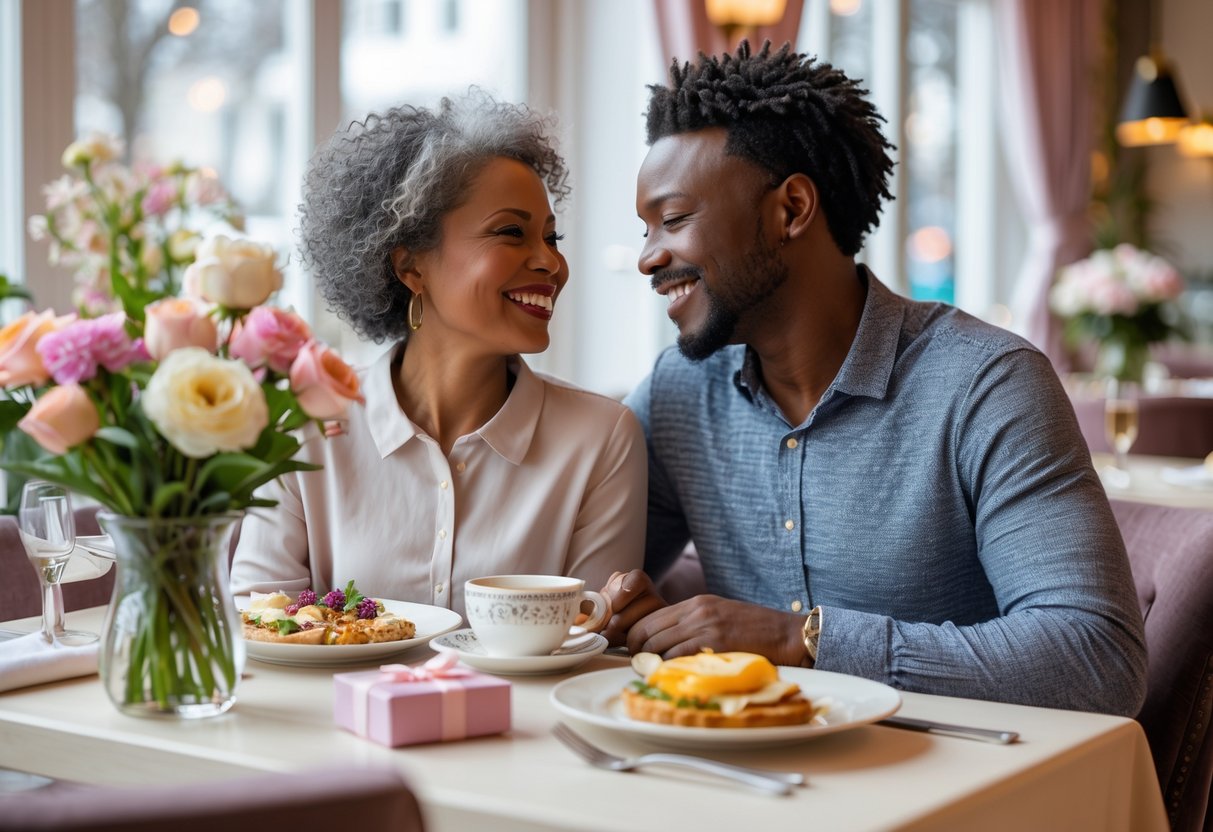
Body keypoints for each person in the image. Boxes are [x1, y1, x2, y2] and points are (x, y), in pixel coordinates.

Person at [600, 42, 1147, 715]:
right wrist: (617, 609)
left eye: (674, 219)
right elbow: (589, 583)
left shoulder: (986, 385)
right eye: (645, 228)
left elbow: (1095, 660)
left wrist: (804, 639)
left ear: (791, 208)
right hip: (749, 784)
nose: (648, 257)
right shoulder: (680, 392)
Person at [231, 92, 647, 616]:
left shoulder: (601, 439)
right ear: (411, 267)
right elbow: (258, 623)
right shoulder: (307, 424)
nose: (551, 263)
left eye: (551, 236)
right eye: (511, 232)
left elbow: (585, 642)